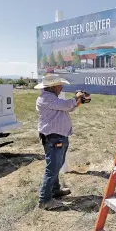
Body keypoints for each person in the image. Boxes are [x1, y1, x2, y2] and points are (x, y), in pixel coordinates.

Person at [34, 74, 84, 210]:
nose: (61, 87)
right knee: (52, 168)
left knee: (57, 164)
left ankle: (55, 190)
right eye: (59, 85)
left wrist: (79, 100)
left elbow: (69, 107)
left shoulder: (51, 98)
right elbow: (67, 105)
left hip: (57, 136)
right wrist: (78, 97)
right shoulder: (46, 98)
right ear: (52, 86)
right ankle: (45, 200)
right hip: (54, 137)